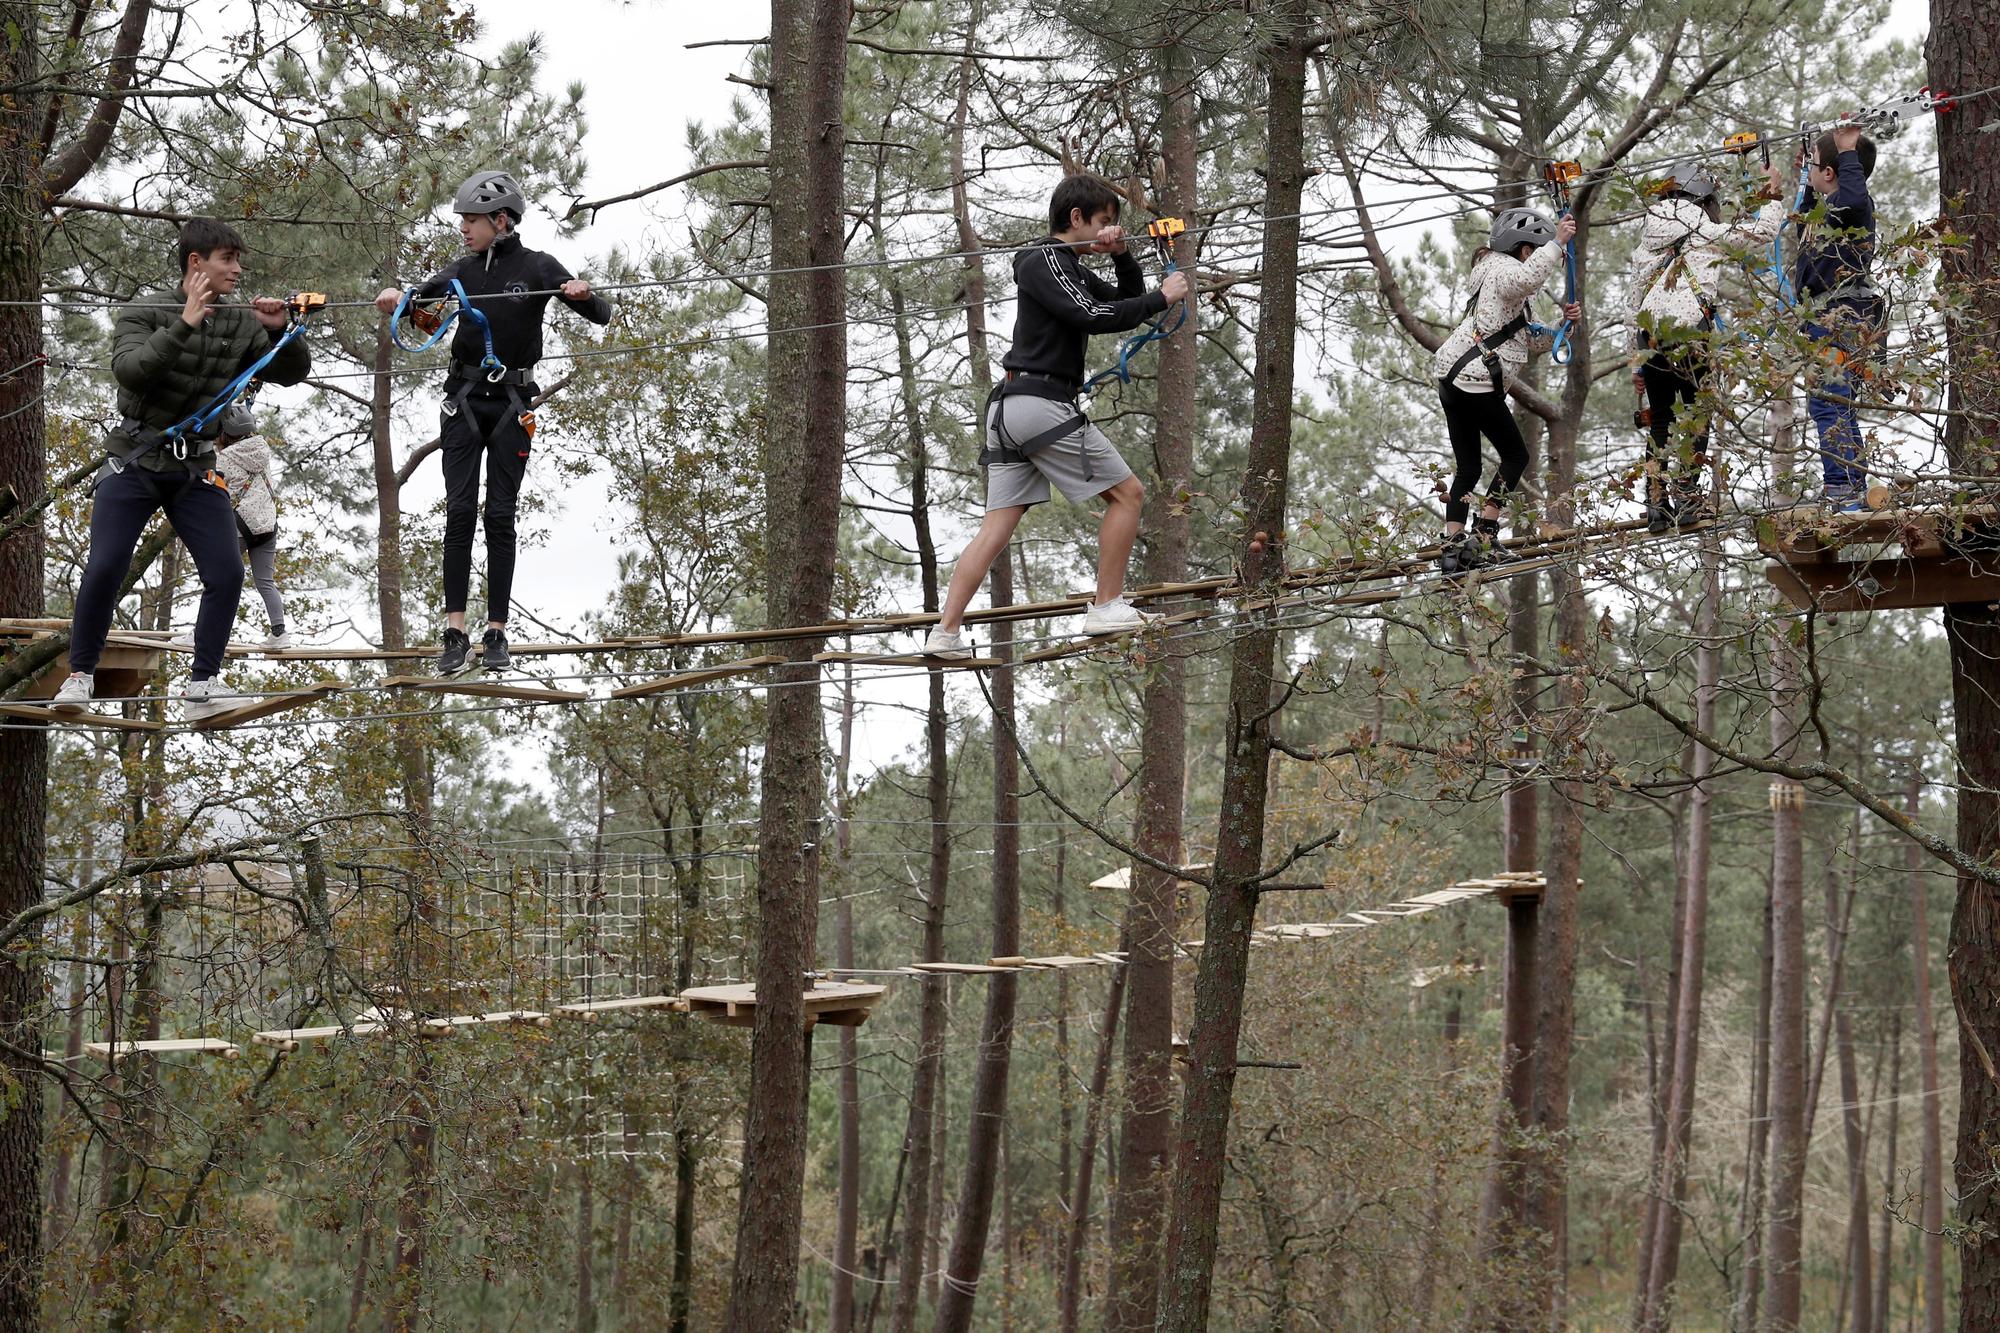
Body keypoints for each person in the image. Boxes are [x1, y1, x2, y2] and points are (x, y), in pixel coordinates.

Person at [51, 219, 311, 720]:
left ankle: (202, 687)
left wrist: (283, 331)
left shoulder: (240, 321)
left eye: (238, 260)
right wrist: (185, 322)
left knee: (227, 572)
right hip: (134, 458)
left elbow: (291, 373)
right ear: (197, 263)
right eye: (226, 260)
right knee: (105, 566)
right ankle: (80, 676)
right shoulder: (145, 311)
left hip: (194, 466)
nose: (238, 270)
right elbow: (131, 371)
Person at [921, 174, 1189, 660]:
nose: (1108, 229)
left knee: (998, 524)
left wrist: (1123, 254)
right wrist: (1165, 297)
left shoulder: (1065, 267)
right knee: (1128, 495)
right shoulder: (1044, 259)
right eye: (1104, 222)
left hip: (1012, 408)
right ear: (1076, 219)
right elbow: (1094, 316)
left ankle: (945, 634)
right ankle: (1107, 604)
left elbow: (1120, 304)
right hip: (1037, 403)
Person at [373, 170, 611, 675]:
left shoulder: (539, 266)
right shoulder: (461, 271)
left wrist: (581, 293)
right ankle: (454, 632)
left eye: (472, 220)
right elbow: (423, 315)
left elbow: (602, 314)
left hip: (512, 403)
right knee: (459, 514)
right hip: (462, 401)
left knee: (500, 516)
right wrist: (399, 298)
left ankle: (496, 631)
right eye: (463, 220)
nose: (464, 228)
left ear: (500, 220)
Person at [1626, 161, 1790, 531]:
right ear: (1703, 199)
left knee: (1662, 419)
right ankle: (1686, 497)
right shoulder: (1703, 228)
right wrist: (1772, 191)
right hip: (1688, 333)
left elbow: (1632, 304)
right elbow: (1764, 231)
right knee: (1699, 413)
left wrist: (1635, 363)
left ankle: (1656, 505)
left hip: (1648, 338)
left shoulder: (1645, 245)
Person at [1429, 207, 1582, 575]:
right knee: (1516, 457)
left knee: (1469, 466)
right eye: (1538, 250)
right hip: (1476, 381)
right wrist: (1558, 244)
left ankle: (1453, 547)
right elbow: (1526, 280)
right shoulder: (1503, 272)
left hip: (1454, 379)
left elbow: (1529, 338)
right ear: (1526, 250)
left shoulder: (1496, 278)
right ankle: (1484, 535)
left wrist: (1563, 326)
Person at [1792, 125, 1882, 511]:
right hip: (1827, 317)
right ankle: (1845, 482)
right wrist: (1806, 176)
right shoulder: (1828, 212)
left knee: (1830, 401)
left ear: (1831, 173)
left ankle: (1844, 487)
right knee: (1830, 403)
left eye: (1815, 167)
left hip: (1840, 318)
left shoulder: (1852, 208)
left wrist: (1845, 153)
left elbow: (1853, 199)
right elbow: (1805, 221)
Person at [169, 400, 291, 651]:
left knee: (218, 579)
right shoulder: (262, 450)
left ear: (224, 433)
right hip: (267, 525)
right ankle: (280, 634)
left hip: (240, 526)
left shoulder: (223, 459)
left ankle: (200, 634)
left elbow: (203, 482)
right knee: (265, 581)